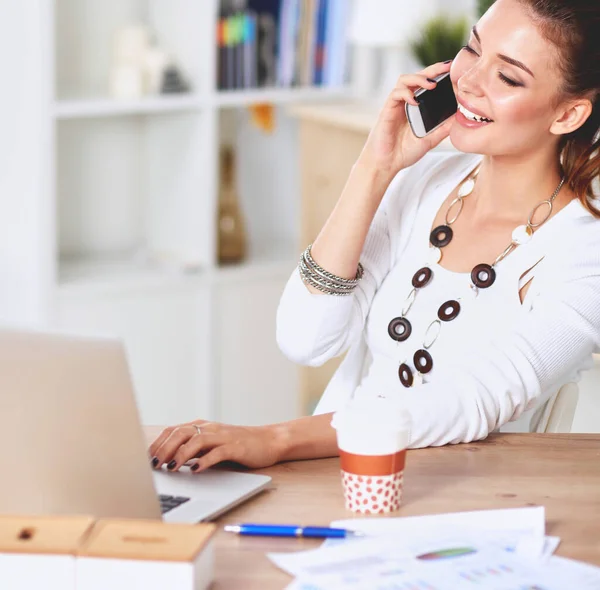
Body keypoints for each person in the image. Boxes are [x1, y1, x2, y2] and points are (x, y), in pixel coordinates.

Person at [149, 0, 600, 473]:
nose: (467, 82)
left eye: (508, 78)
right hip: (340, 472)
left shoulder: (584, 251)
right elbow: (304, 340)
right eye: (473, 48)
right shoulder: (421, 182)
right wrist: (374, 169)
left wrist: (276, 438)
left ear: (569, 115)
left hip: (461, 499)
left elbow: (471, 399)